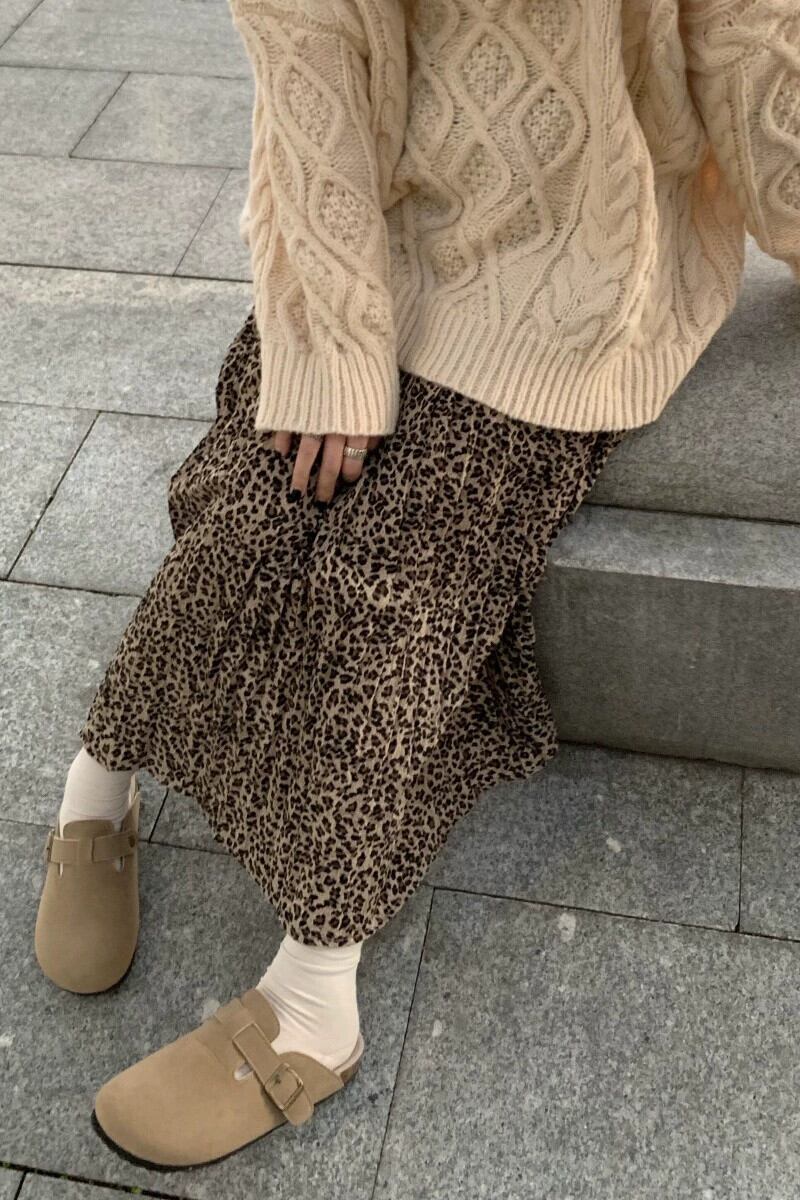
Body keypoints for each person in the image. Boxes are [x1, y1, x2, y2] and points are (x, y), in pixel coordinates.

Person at [33, 0, 799, 1170]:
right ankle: (104, 776)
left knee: (393, 581)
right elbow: (306, 59)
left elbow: (751, 43)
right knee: (248, 505)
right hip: (379, 236)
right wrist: (329, 341)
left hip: (580, 278)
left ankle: (314, 999)